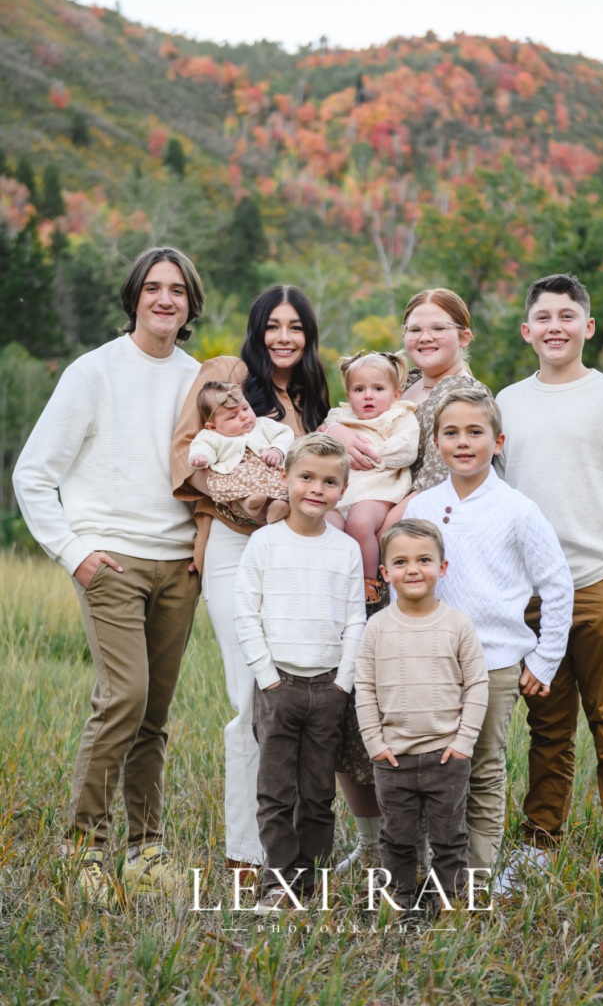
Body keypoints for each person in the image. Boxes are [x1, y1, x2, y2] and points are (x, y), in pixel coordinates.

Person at [13, 246, 204, 904]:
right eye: (152, 288)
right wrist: (75, 553)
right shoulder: (93, 373)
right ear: (134, 298)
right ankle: (82, 849)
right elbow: (32, 474)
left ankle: (145, 851)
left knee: (153, 711)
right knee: (122, 698)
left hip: (179, 564)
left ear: (190, 305)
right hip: (111, 560)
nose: (164, 300)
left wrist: (202, 548)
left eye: (177, 290)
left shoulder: (199, 378)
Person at [495, 273, 603, 907]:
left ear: (587, 327)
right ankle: (539, 841)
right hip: (532, 595)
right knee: (548, 726)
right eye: (544, 316)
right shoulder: (507, 402)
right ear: (527, 330)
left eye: (568, 315)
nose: (556, 326)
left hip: (599, 584)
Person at [171, 285, 331, 869]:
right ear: (256, 330)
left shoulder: (315, 396)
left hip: (297, 555)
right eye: (272, 326)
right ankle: (248, 851)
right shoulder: (228, 375)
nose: (283, 338)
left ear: (308, 335)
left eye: (295, 326)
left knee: (295, 693)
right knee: (250, 694)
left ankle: (295, 843)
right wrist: (237, 505)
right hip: (236, 550)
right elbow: (186, 450)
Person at [329, 286, 480, 874]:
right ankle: (375, 843)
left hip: (422, 574)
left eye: (437, 327)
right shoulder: (397, 389)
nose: (423, 337)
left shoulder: (464, 395)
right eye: (414, 328)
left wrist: (394, 519)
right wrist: (340, 435)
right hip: (377, 567)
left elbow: (443, 485)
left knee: (419, 712)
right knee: (360, 709)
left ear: (462, 335)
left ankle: (431, 849)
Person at [402, 382, 574, 892]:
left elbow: (558, 584)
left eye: (475, 432)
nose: (462, 442)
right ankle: (435, 866)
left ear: (497, 443)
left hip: (495, 662)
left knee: (482, 768)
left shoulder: (517, 509)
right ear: (435, 443)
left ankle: (475, 876)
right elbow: (406, 582)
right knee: (430, 766)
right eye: (450, 433)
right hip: (429, 662)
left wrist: (544, 661)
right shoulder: (423, 506)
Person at [233, 433, 366, 913]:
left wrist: (342, 684)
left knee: (316, 793)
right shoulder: (265, 543)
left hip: (327, 688)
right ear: (285, 480)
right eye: (306, 477)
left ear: (342, 490)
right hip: (278, 687)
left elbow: (355, 619)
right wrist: (267, 677)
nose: (316, 488)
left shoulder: (346, 549)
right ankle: (277, 882)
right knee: (275, 793)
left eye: (329, 481)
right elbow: (246, 613)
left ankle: (310, 882)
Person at [355, 519, 489, 912]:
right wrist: (374, 743)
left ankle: (447, 900)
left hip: (445, 755)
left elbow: (476, 685)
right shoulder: (377, 627)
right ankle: (399, 898)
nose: (412, 569)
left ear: (443, 567)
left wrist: (463, 743)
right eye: (400, 562)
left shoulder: (457, 625)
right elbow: (364, 687)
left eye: (424, 560)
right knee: (396, 836)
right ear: (385, 573)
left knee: (449, 836)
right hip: (393, 757)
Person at [322, 351, 419, 604]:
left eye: (378, 388)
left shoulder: (399, 416)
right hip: (341, 493)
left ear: (396, 395)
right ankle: (330, 580)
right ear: (348, 395)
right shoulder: (338, 418)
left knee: (359, 524)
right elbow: (320, 443)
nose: (368, 395)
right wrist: (334, 433)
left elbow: (406, 450)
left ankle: (368, 582)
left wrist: (368, 453)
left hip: (378, 489)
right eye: (359, 389)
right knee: (323, 524)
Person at [188, 381, 293, 524]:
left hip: (270, 471)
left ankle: (279, 507)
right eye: (232, 417)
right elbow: (202, 446)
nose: (244, 416)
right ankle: (248, 504)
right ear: (213, 427)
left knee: (285, 483)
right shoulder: (213, 436)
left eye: (245, 408)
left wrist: (277, 450)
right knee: (236, 482)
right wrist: (200, 456)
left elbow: (285, 433)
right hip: (238, 476)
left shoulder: (264, 424)